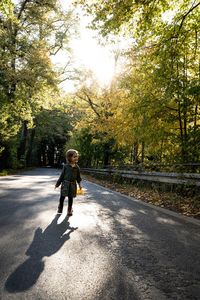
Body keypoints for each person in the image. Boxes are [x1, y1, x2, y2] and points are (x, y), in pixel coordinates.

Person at [55, 149, 82, 216]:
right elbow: (61, 176)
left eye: (76, 156)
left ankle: (69, 210)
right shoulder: (66, 166)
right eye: (74, 156)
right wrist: (57, 184)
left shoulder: (77, 167)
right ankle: (60, 207)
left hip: (73, 185)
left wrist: (80, 185)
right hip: (65, 184)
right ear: (69, 157)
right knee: (62, 197)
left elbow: (78, 177)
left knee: (71, 197)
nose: (76, 158)